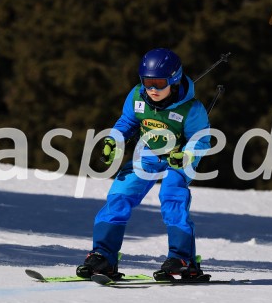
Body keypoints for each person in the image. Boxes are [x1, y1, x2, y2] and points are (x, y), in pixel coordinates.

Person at [77, 48, 212, 280]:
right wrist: (114, 140)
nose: (152, 89)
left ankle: (183, 259)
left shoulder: (192, 109)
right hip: (147, 154)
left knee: (172, 198)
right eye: (148, 82)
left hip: (177, 160)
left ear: (174, 79)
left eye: (159, 83)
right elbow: (127, 121)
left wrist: (186, 156)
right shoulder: (138, 96)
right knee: (119, 194)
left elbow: (201, 141)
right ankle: (103, 256)